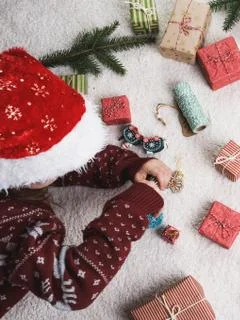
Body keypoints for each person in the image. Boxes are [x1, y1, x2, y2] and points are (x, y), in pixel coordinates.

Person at [0, 48, 172, 317]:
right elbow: (74, 284)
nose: (62, 166)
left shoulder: (18, 173)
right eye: (51, 162)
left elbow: (51, 165)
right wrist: (131, 210)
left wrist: (126, 165)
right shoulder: (15, 224)